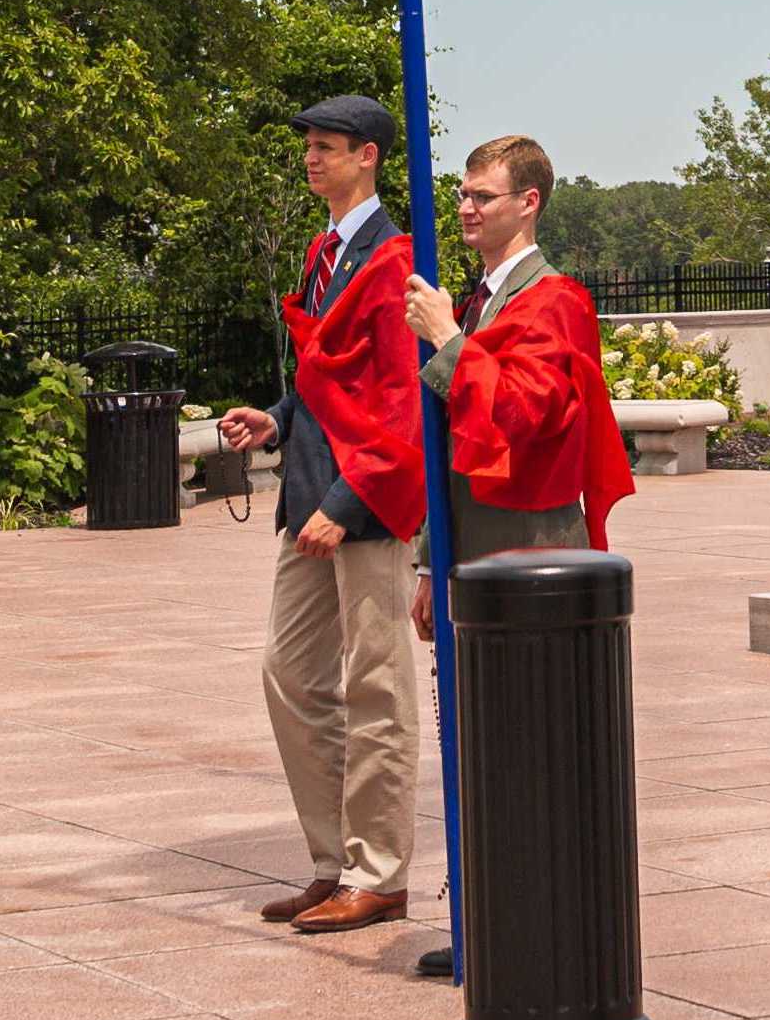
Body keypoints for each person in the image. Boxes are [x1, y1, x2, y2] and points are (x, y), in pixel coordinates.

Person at [212, 94, 428, 937]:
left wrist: (347, 501)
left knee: (376, 687)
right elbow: (324, 378)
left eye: (328, 147)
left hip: (365, 505)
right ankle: (334, 862)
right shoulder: (324, 250)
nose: (312, 158)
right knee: (290, 673)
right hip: (309, 495)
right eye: (309, 146)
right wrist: (276, 417)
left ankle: (380, 873)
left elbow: (400, 397)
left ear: (368, 156)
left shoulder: (396, 258)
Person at [410, 134, 633, 570]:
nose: (465, 208)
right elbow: (450, 442)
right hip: (470, 542)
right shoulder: (480, 302)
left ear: (528, 202)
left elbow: (518, 414)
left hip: (531, 545)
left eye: (483, 197)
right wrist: (428, 564)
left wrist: (446, 338)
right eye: (464, 194)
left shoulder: (557, 301)